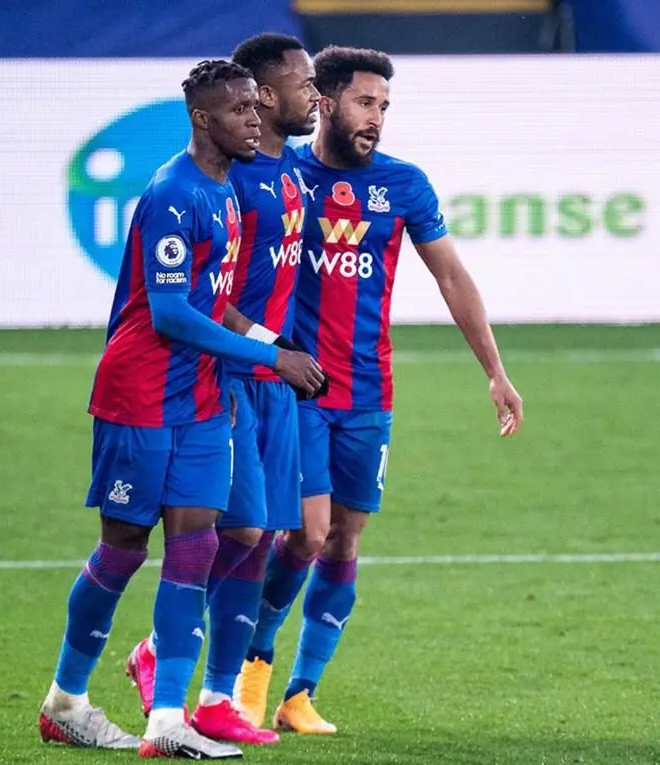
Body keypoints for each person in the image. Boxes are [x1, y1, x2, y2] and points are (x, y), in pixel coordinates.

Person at [234, 45, 525, 735]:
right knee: (305, 533)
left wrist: (495, 370)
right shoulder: (283, 175)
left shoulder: (404, 184)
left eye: (385, 107)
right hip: (300, 387)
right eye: (365, 103)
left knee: (344, 541)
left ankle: (300, 693)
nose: (377, 119)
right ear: (325, 102)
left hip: (370, 392)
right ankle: (251, 670)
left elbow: (451, 277)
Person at [37, 58, 323, 760]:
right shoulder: (173, 193)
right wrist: (269, 359)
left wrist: (272, 344)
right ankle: (65, 700)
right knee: (123, 549)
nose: (254, 120)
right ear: (202, 119)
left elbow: (212, 302)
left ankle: (167, 719)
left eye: (256, 108)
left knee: (197, 548)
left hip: (200, 399)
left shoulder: (226, 192)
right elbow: (169, 313)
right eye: (239, 111)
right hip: (139, 395)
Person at [123, 33, 322, 747]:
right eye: (304, 83)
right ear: (262, 97)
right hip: (231, 375)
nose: (315, 95)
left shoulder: (289, 167)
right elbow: (203, 297)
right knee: (233, 531)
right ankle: (166, 662)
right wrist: (266, 350)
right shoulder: (226, 180)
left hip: (273, 376)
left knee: (260, 535)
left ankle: (216, 696)